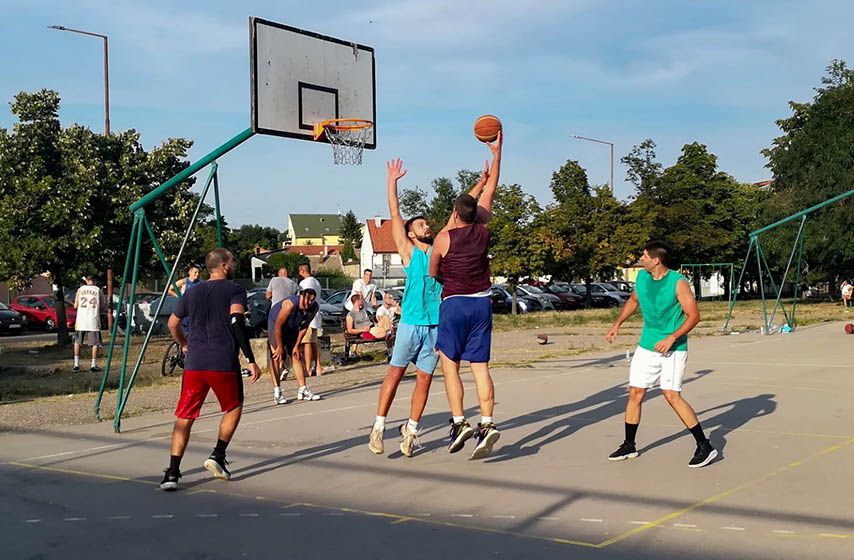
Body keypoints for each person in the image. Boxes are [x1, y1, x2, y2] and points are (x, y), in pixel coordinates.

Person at [605, 240, 717, 468]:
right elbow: (634, 301)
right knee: (635, 392)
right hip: (647, 345)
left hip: (673, 348)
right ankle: (629, 444)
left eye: (644, 256)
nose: (641, 259)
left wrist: (672, 337)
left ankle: (704, 445)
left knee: (670, 395)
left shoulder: (678, 283)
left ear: (656, 260)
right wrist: (617, 323)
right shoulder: (643, 279)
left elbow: (693, 316)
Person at [160, 248, 261, 491]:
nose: (235, 264)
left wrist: (184, 343)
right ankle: (217, 454)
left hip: (195, 363)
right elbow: (236, 321)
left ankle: (172, 473)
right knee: (234, 406)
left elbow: (172, 323)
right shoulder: (234, 289)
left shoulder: (193, 292)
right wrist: (250, 357)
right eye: (233, 260)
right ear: (225, 265)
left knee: (185, 416)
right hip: (222, 361)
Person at [429, 131, 502, 460]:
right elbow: (489, 194)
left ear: (455, 214)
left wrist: (476, 183)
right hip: (482, 303)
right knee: (481, 368)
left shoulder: (444, 237)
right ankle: (487, 424)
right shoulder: (483, 228)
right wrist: (496, 158)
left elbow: (433, 272)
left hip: (454, 304)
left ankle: (459, 423)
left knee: (450, 367)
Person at [368, 158, 444, 457]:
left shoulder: (439, 251)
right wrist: (392, 181)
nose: (427, 226)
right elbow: (395, 213)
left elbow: (456, 220)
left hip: (435, 326)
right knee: (395, 375)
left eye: (427, 224)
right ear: (412, 233)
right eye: (421, 224)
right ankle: (378, 426)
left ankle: (411, 431)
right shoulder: (409, 251)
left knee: (424, 381)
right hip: (411, 324)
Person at [268, 289, 322, 404]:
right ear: (301, 296)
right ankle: (277, 392)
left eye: (312, 300)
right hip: (276, 326)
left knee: (296, 355)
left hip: (292, 328)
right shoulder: (289, 305)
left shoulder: (314, 307)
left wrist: (297, 345)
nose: (309, 303)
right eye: (307, 299)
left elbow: (304, 326)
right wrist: (280, 347)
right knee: (276, 357)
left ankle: (303, 389)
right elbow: (278, 326)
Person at [72, 275, 105, 372]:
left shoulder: (80, 290)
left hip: (81, 320)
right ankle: (93, 365)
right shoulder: (98, 290)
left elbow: (75, 306)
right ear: (95, 281)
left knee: (77, 342)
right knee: (95, 343)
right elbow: (102, 306)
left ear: (86, 280)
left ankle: (76, 364)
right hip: (93, 319)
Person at [298, 263, 324, 376]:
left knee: (307, 342)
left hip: (308, 316)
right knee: (314, 342)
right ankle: (318, 367)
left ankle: (308, 368)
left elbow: (302, 299)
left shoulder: (304, 283)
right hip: (316, 315)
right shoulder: (316, 282)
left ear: (302, 271)